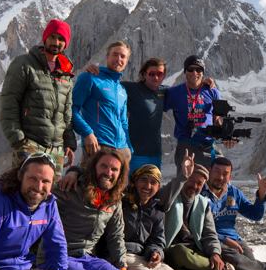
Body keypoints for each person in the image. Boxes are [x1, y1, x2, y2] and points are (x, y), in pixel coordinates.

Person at [85, 56, 217, 175]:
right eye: (151, 74)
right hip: (132, 152)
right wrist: (99, 70)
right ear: (144, 74)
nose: (156, 77)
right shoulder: (132, 88)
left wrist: (207, 82)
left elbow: (192, 93)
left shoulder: (165, 92)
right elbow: (111, 84)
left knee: (151, 191)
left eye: (160, 74)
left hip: (154, 153)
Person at [0, 19, 77, 169]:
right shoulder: (24, 64)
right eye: (53, 37)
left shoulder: (66, 73)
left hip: (57, 150)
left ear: (66, 43)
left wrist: (69, 143)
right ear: (45, 38)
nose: (56, 42)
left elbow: (66, 113)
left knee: (49, 191)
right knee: (25, 190)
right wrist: (19, 141)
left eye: (61, 39)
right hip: (30, 145)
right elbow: (9, 102)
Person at [163, 55, 228, 172]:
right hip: (185, 144)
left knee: (220, 173)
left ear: (203, 73)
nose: (194, 72)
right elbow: (156, 95)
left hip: (207, 143)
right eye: (191, 69)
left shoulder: (213, 92)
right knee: (186, 181)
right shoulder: (174, 92)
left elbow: (217, 119)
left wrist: (226, 134)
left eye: (198, 70)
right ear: (185, 71)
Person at [71, 40, 131, 163]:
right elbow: (72, 108)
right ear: (107, 56)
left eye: (123, 56)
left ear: (126, 61)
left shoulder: (122, 90)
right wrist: (87, 133)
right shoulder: (90, 77)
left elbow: (124, 121)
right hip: (98, 145)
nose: (118, 59)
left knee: (120, 183)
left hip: (122, 149)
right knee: (90, 182)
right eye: (115, 54)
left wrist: (129, 147)